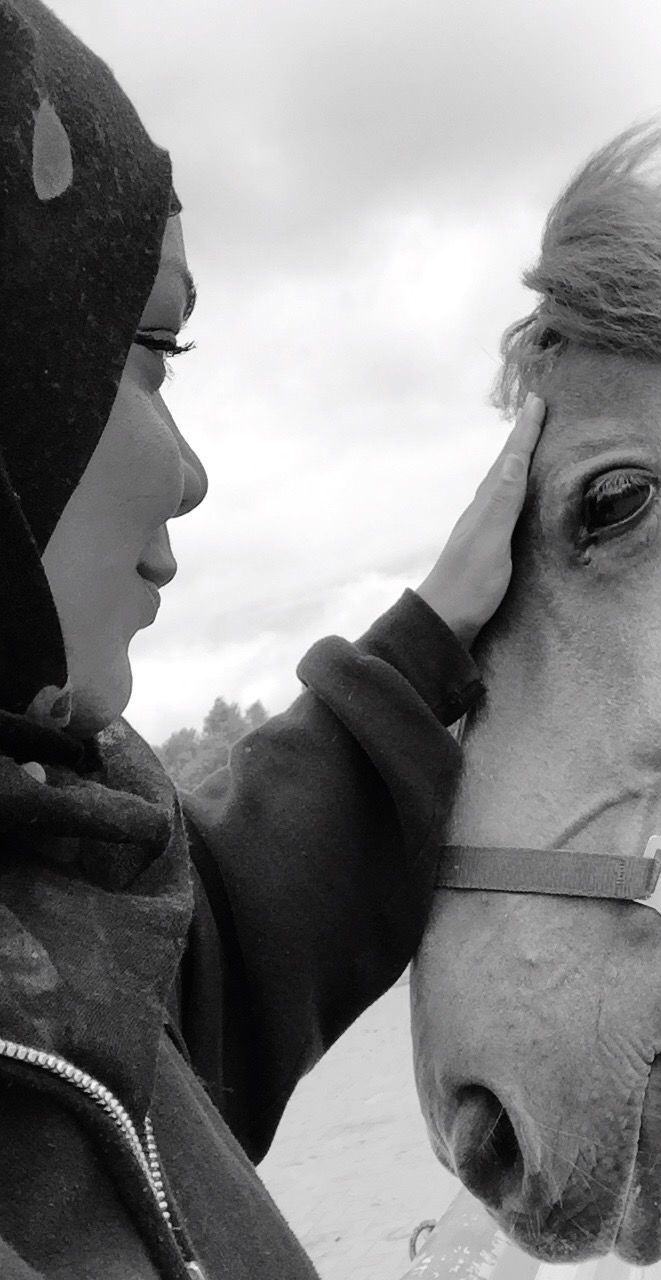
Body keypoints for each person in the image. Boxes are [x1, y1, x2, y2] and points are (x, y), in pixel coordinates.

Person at [0, 3, 543, 1277]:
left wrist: (426, 641)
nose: (189, 478)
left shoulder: (49, 899)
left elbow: (190, 991)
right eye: (147, 348)